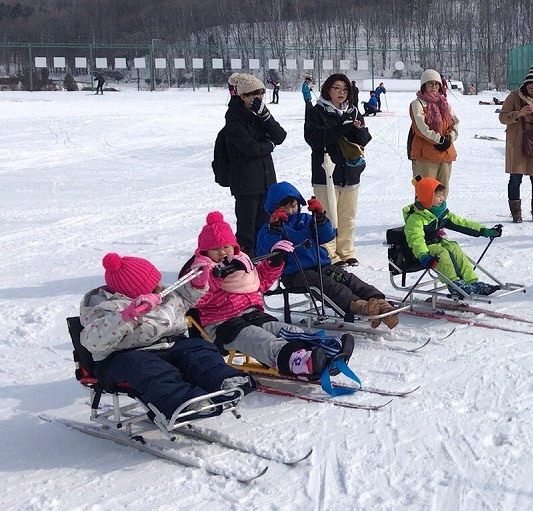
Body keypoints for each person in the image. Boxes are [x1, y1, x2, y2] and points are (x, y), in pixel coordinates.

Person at [80, 253, 253, 430]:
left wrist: (198, 283)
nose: (160, 286)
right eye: (154, 284)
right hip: (122, 357)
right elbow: (92, 341)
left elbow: (184, 298)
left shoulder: (162, 295)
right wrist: (126, 317)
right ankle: (182, 402)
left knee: (199, 348)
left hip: (167, 346)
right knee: (148, 368)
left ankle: (223, 381)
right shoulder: (104, 308)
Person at [186, 211, 353, 379]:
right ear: (206, 252)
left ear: (234, 247)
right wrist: (215, 276)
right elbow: (196, 298)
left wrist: (275, 262)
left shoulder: (241, 263)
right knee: (260, 339)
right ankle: (297, 361)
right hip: (223, 325)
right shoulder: (199, 272)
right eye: (216, 249)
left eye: (226, 247)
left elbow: (262, 283)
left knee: (286, 330)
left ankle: (323, 349)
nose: (223, 253)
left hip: (253, 315)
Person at [257, 182, 399, 328]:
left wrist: (320, 218)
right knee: (328, 285)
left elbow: (327, 235)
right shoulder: (270, 228)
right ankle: (359, 306)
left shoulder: (305, 220)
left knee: (348, 279)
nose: (290, 211)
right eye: (284, 207)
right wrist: (274, 230)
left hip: (321, 265)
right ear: (274, 208)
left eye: (293, 205)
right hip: (295, 273)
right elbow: (265, 252)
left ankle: (380, 302)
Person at [304, 73, 370, 266]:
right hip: (325, 172)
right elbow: (315, 140)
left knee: (347, 216)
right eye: (337, 88)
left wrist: (357, 130)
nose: (341, 93)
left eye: (345, 89)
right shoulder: (317, 112)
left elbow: (365, 139)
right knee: (327, 215)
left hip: (350, 172)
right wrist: (342, 128)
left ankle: (347, 251)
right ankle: (329, 253)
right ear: (328, 89)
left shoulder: (353, 111)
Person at [404, 176, 504, 295]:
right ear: (427, 198)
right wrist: (423, 255)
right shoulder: (415, 218)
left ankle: (471, 282)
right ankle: (454, 284)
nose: (442, 199)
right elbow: (416, 239)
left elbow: (461, 223)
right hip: (422, 252)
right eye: (438, 196)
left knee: (454, 247)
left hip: (437, 243)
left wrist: (484, 231)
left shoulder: (441, 213)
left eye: (442, 195)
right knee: (442, 253)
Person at [223, 73, 288, 254]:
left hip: (266, 179)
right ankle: (245, 261)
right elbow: (250, 149)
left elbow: (280, 136)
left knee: (265, 223)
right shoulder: (234, 118)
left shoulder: (259, 115)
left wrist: (266, 115)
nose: (260, 98)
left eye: (262, 93)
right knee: (247, 228)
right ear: (243, 96)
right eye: (255, 94)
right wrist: (269, 145)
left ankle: (261, 258)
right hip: (246, 182)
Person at [499, 65, 533, 223]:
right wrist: (519, 113)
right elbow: (502, 117)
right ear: (525, 86)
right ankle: (516, 213)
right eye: (530, 87)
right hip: (517, 143)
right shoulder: (514, 97)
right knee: (515, 178)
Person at [408, 69, 459, 192]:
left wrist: (449, 138)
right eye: (430, 83)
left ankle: (440, 212)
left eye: (436, 84)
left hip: (445, 155)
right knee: (425, 192)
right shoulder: (417, 104)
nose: (434, 87)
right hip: (425, 156)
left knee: (441, 194)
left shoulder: (444, 104)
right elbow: (421, 127)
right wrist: (439, 139)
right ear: (424, 85)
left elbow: (454, 123)